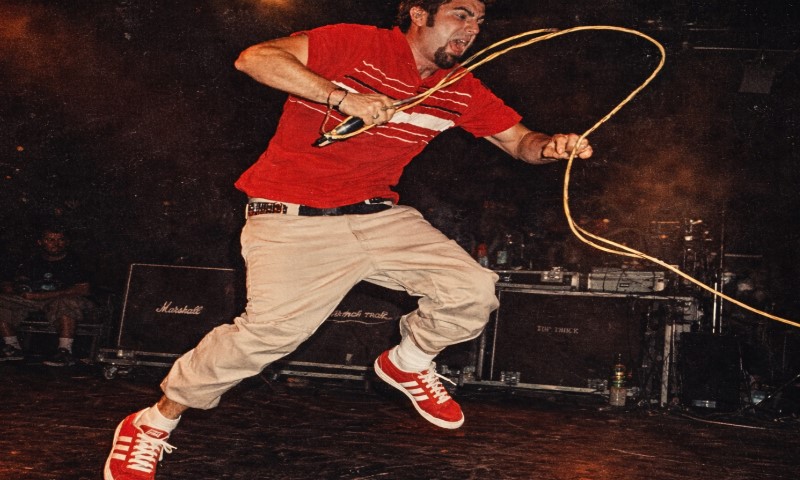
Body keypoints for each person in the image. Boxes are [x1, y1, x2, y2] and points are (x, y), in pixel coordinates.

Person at [104, 1, 593, 478]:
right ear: (418, 14)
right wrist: (342, 97)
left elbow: (520, 143)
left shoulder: (460, 88)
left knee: (472, 290)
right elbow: (255, 57)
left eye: (480, 21)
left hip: (378, 216)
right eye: (461, 15)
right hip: (292, 219)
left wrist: (551, 147)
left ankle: (408, 362)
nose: (472, 29)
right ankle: (152, 423)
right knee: (266, 336)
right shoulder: (357, 44)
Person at [0, 224, 95, 366]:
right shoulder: (31, 260)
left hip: (62, 300)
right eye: (50, 240)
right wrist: (17, 288)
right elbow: (11, 284)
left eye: (60, 239)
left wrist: (41, 296)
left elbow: (83, 289)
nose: (56, 244)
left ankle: (65, 351)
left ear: (66, 242)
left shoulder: (76, 261)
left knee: (66, 302)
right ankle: (12, 347)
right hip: (33, 300)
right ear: (40, 242)